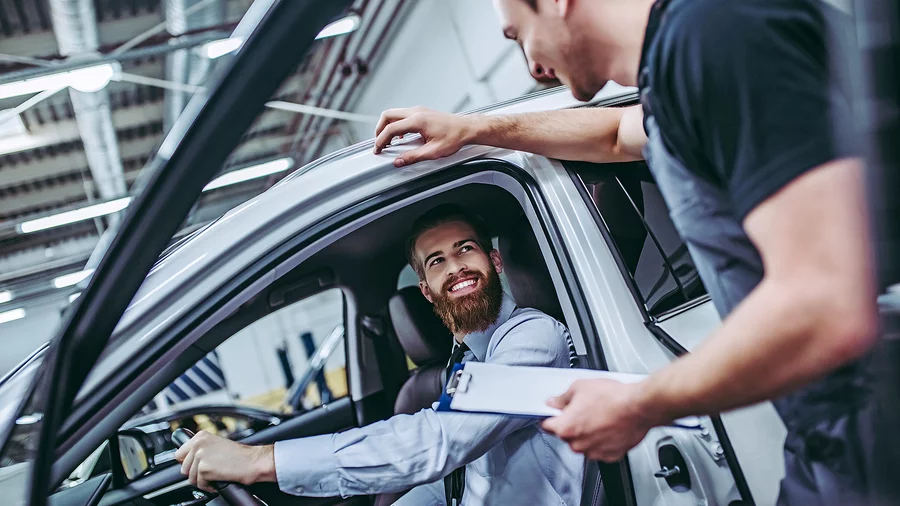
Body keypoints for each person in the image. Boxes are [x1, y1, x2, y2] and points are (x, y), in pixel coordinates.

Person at [372, 0, 885, 504]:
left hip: (871, 422)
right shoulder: (679, 66)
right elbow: (616, 135)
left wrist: (640, 403)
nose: (531, 64)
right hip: (829, 430)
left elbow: (825, 305)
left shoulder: (716, 32)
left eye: (518, 34)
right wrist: (475, 129)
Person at [174, 204, 584, 505]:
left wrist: (260, 461)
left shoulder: (534, 339)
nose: (455, 268)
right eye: (437, 261)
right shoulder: (467, 362)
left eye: (465, 249)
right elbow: (458, 482)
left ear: (494, 261)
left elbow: (440, 440)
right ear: (426, 291)